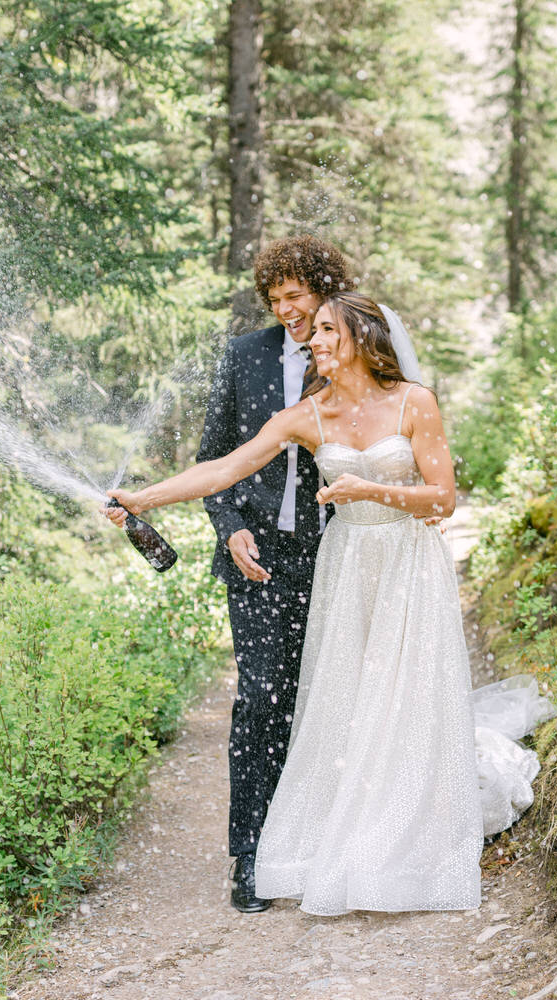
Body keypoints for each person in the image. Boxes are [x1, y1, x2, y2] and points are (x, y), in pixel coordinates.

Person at [107, 291, 484, 915]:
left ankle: (407, 832)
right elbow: (225, 468)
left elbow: (443, 499)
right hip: (345, 565)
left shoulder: (416, 402)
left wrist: (371, 490)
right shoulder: (308, 414)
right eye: (316, 337)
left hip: (407, 565)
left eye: (329, 332)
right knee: (344, 699)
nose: (316, 343)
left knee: (405, 694)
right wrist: (144, 500)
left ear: (362, 337)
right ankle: (348, 833)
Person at [193, 235, 353, 912]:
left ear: (324, 292)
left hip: (338, 555)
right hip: (259, 563)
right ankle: (251, 858)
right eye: (276, 298)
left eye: (298, 295)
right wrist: (231, 529)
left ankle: (325, 845)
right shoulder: (242, 358)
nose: (287, 309)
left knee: (327, 700)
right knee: (261, 699)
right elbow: (213, 462)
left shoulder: (350, 354)